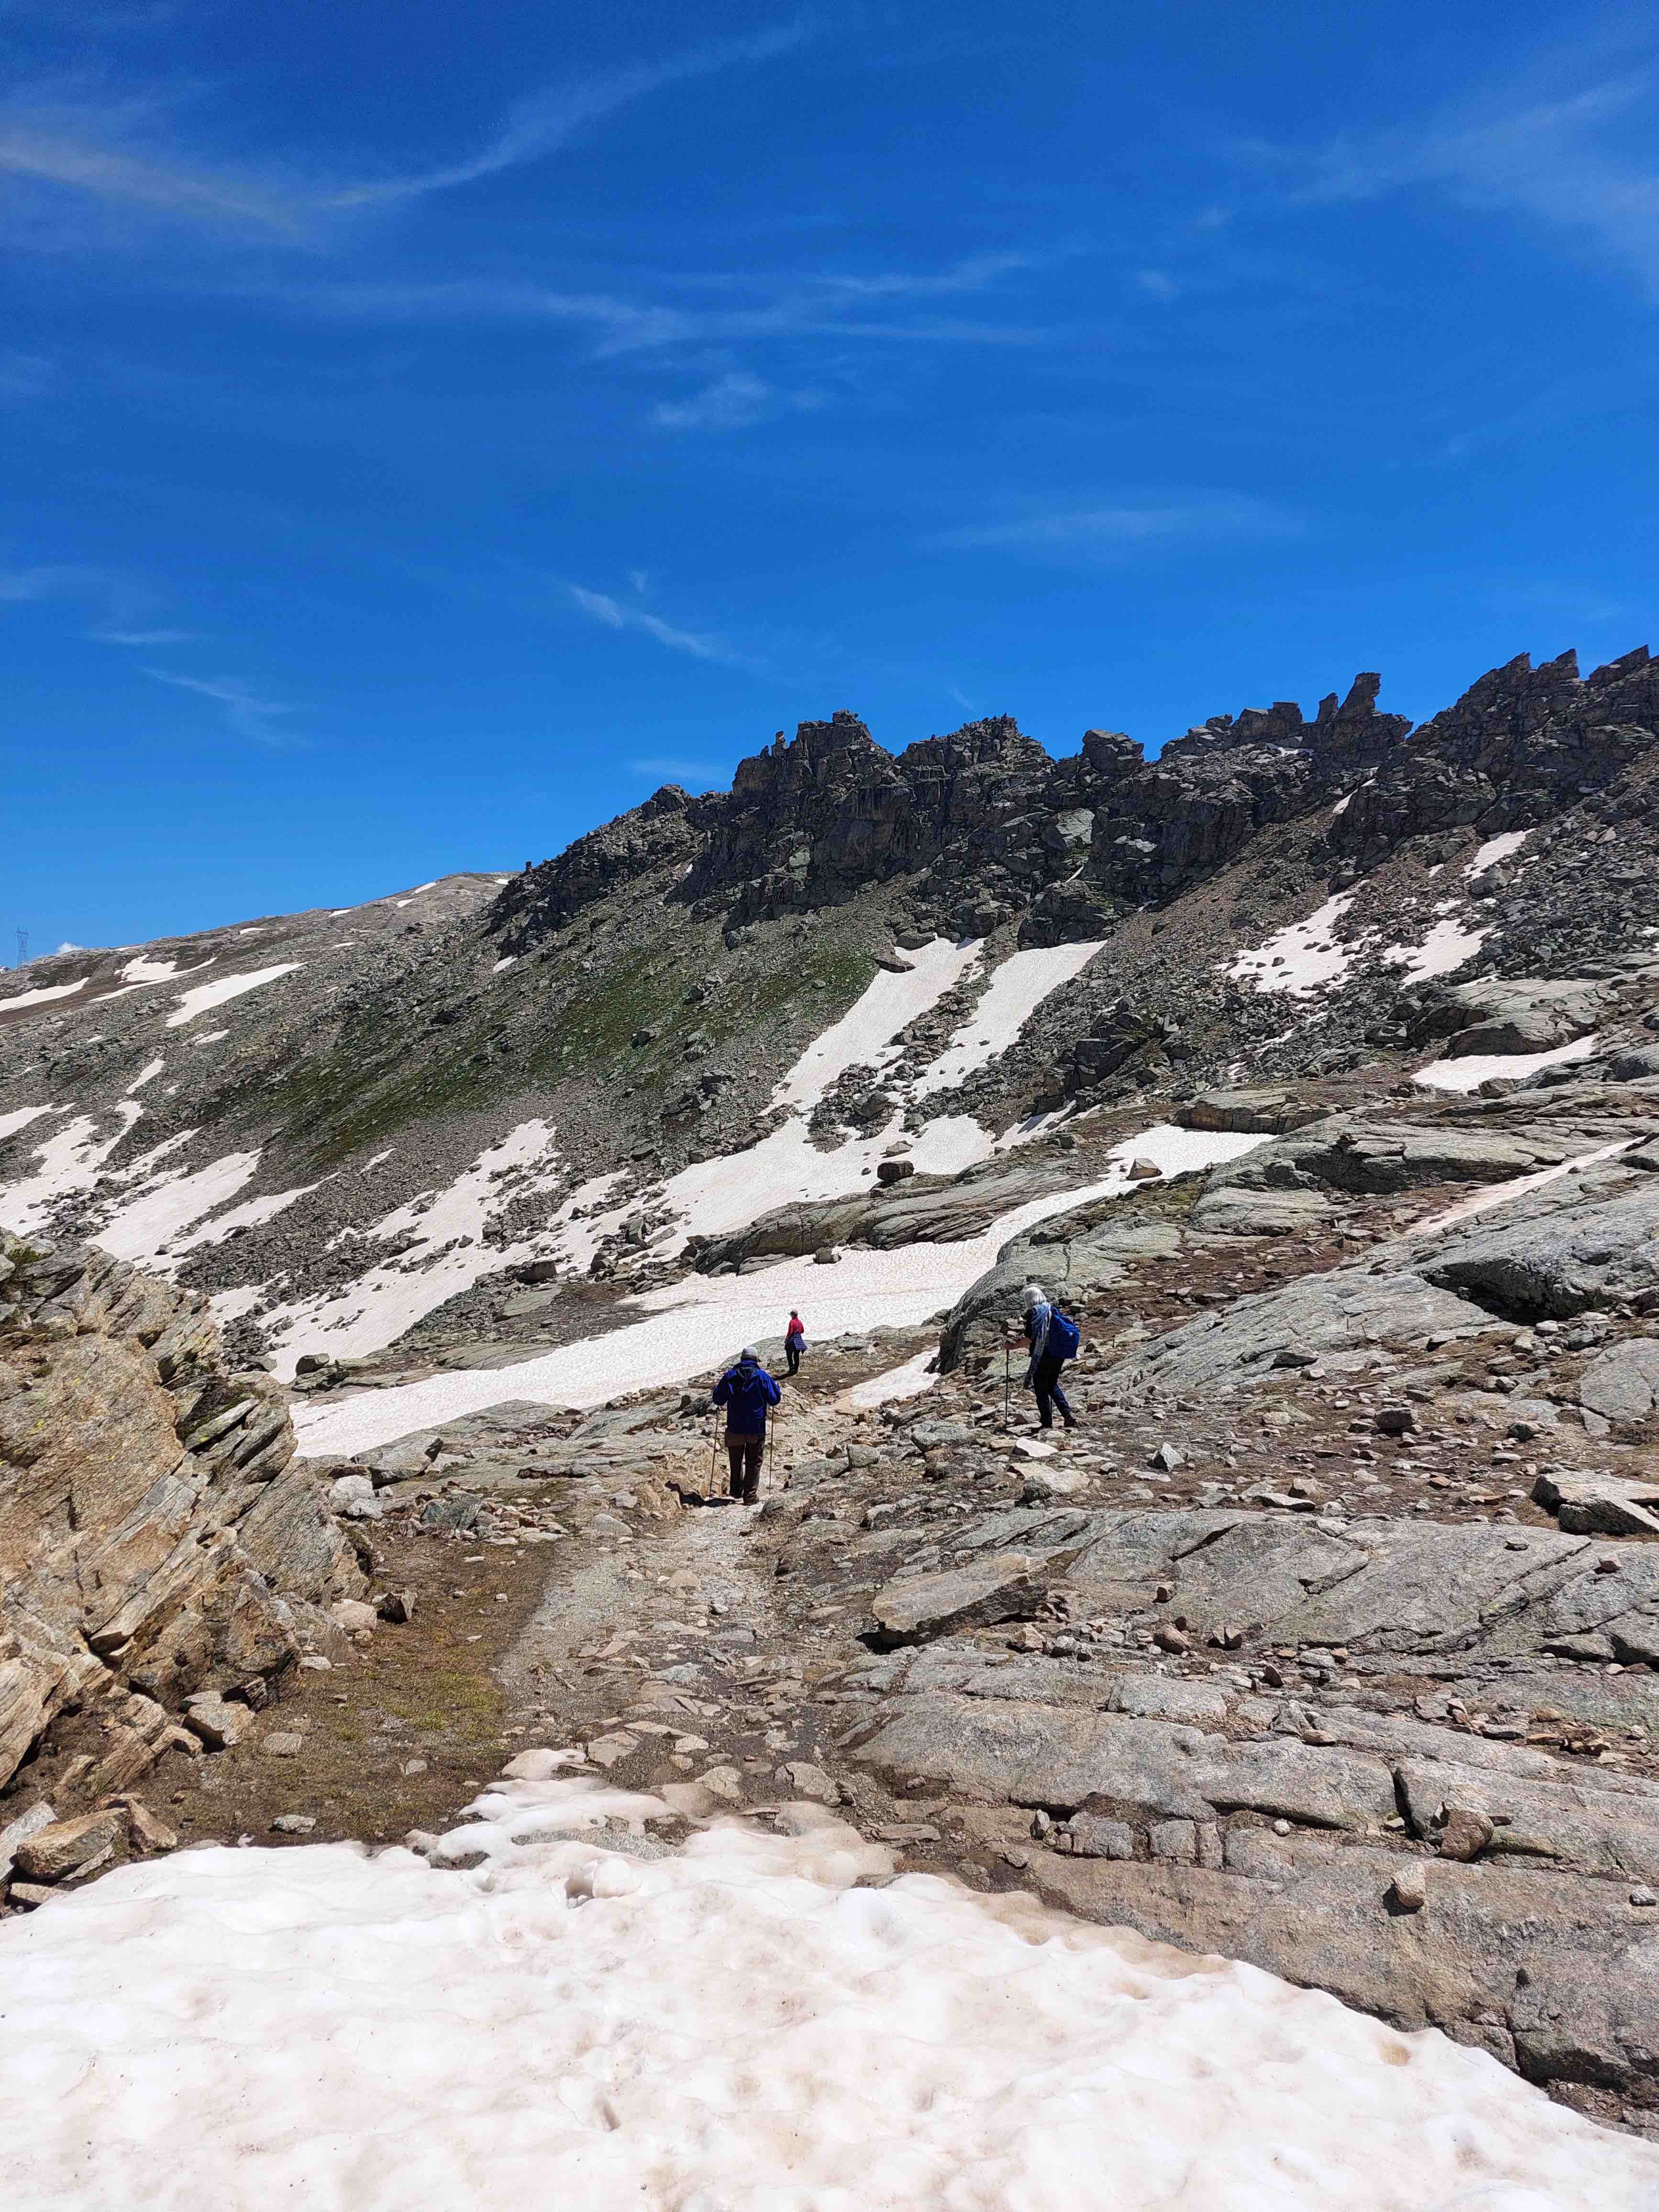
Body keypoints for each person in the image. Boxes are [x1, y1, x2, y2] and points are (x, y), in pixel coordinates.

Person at [710, 1345, 781, 1504]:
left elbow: (718, 1400)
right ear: (756, 1360)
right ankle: (749, 1496)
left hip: (735, 1427)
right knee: (754, 1461)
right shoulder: (762, 1377)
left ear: (742, 1359)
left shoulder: (730, 1376)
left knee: (735, 1460)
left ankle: (736, 1491)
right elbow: (774, 1399)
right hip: (756, 1427)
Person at [1022, 1282, 1078, 1430]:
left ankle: (1046, 1423)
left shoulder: (1033, 1312)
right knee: (1052, 1384)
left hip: (1043, 1354)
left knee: (1041, 1388)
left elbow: (1029, 1338)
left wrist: (1012, 1346)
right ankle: (1067, 1414)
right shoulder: (1051, 1309)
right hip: (1058, 1354)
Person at [784, 1310, 807, 1376]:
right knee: (796, 1355)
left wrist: (786, 1340)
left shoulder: (792, 1322)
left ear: (793, 1315)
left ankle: (791, 1368)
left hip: (792, 1340)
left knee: (789, 1354)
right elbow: (803, 1331)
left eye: (791, 1315)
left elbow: (790, 1332)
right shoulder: (800, 1322)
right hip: (799, 1340)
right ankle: (796, 1369)